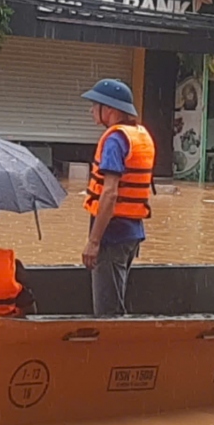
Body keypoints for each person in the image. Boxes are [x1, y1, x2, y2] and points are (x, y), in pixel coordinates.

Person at [80, 79, 156, 316]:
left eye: (95, 105)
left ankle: (112, 353)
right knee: (116, 303)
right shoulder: (138, 135)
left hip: (112, 236)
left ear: (110, 110)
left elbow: (110, 193)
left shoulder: (114, 140)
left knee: (107, 313)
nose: (91, 110)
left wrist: (94, 242)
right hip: (131, 233)